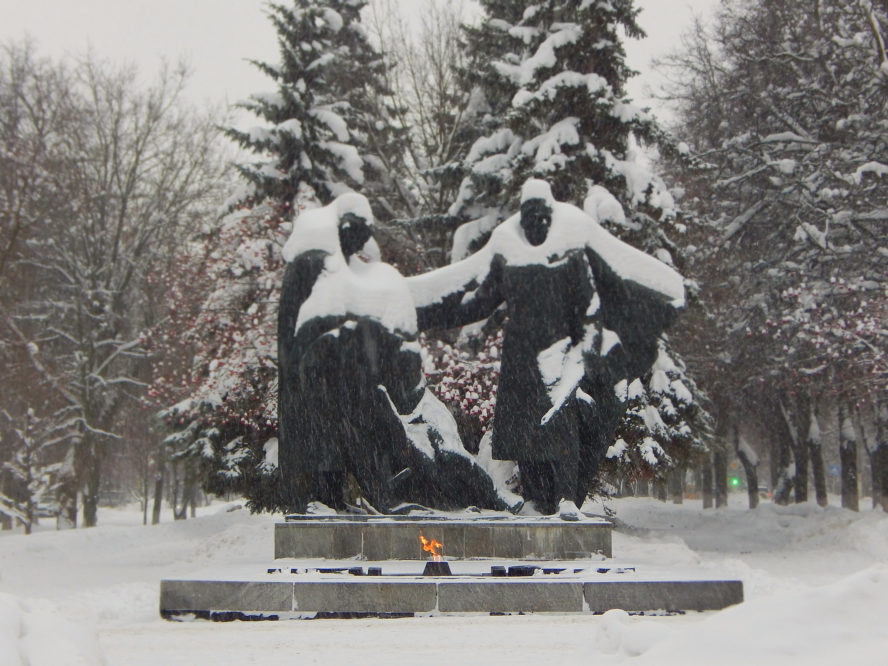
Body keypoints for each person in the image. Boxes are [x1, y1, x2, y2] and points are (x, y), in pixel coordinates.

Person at [408, 179, 684, 515]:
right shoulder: (507, 250)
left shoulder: (570, 251)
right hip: (519, 360)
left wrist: (585, 352)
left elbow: (589, 309)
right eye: (529, 216)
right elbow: (476, 301)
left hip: (557, 357)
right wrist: (412, 308)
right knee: (527, 437)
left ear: (550, 215)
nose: (535, 223)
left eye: (541, 216)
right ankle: (537, 500)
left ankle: (566, 499)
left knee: (562, 433)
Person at [277, 193, 507, 513]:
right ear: (341, 229)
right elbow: (302, 334)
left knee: (435, 440)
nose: (358, 241)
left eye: (363, 234)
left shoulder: (368, 282)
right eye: (354, 232)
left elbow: (437, 305)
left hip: (382, 391)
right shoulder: (314, 265)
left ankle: (478, 496)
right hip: (326, 388)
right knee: (371, 438)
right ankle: (341, 499)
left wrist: (493, 274)